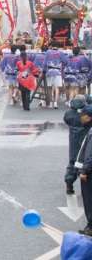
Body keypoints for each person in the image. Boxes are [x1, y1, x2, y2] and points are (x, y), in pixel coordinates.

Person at [65, 96, 92, 195]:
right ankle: (86, 187)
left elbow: (66, 120)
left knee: (73, 162)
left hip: (73, 141)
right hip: (85, 142)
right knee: (86, 162)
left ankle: (69, 183)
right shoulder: (86, 113)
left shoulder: (69, 113)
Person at [75, 105, 92, 236]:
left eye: (83, 115)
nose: (81, 117)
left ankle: (91, 227)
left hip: (89, 172)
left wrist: (84, 171)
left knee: (89, 200)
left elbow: (90, 154)